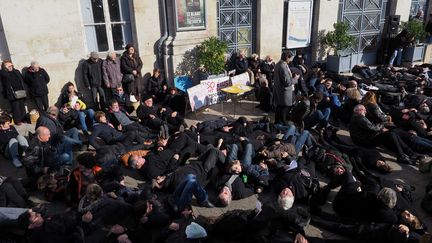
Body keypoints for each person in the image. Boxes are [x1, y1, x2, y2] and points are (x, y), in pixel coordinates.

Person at [273, 52, 298, 125]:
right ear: (287, 58)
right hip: (284, 92)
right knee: (284, 108)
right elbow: (287, 82)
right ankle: (282, 123)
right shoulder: (283, 66)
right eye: (290, 58)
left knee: (279, 107)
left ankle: (277, 123)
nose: (290, 60)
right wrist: (295, 79)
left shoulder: (278, 64)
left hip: (279, 90)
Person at [0, 60, 27, 125]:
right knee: (15, 107)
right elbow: (3, 79)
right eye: (9, 66)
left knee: (22, 106)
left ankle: (24, 119)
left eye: (11, 65)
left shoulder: (16, 71)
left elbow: (22, 80)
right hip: (12, 93)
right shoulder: (3, 73)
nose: (10, 67)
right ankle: (17, 121)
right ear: (5, 67)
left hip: (20, 91)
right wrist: (5, 69)